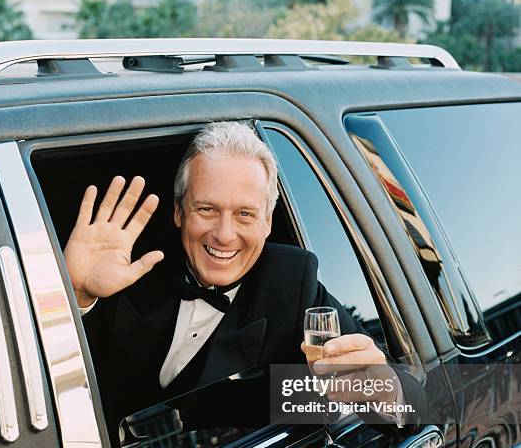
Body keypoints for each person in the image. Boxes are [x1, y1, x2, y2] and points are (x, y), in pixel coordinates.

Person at [64, 122, 419, 429]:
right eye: (206, 209)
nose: (224, 234)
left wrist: (384, 389)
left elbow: (417, 407)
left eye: (245, 215)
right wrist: (77, 296)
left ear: (267, 222)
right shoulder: (134, 267)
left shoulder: (291, 283)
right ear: (178, 212)